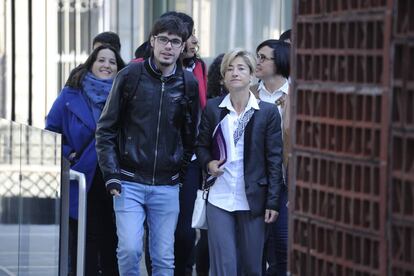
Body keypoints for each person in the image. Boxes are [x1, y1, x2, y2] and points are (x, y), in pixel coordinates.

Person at [95, 15, 200, 276]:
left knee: (164, 258)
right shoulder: (130, 76)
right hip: (128, 182)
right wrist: (112, 176)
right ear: (152, 41)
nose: (168, 46)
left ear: (182, 46)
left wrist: (179, 174)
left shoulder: (188, 84)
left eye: (175, 42)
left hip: (167, 185)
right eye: (163, 39)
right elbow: (105, 129)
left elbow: (190, 137)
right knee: (130, 250)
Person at [195, 48, 284, 275]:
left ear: (252, 74)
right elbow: (201, 145)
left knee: (252, 266)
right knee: (225, 264)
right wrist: (209, 164)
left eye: (241, 68)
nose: (235, 73)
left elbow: (274, 159)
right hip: (219, 197)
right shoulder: (214, 109)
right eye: (230, 69)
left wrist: (273, 201)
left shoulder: (267, 112)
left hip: (253, 198)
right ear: (223, 77)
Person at [46, 44, 125, 275]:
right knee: (84, 237)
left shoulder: (126, 94)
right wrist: (68, 153)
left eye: (112, 62)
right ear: (91, 63)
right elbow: (51, 131)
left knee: (113, 236)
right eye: (101, 60)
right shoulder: (70, 94)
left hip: (115, 176)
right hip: (82, 176)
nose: (106, 65)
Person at [253, 39, 290, 276]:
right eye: (257, 56)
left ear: (281, 62)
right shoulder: (248, 92)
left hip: (284, 181)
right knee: (254, 249)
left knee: (283, 248)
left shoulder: (298, 95)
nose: (257, 61)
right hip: (254, 181)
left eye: (264, 58)